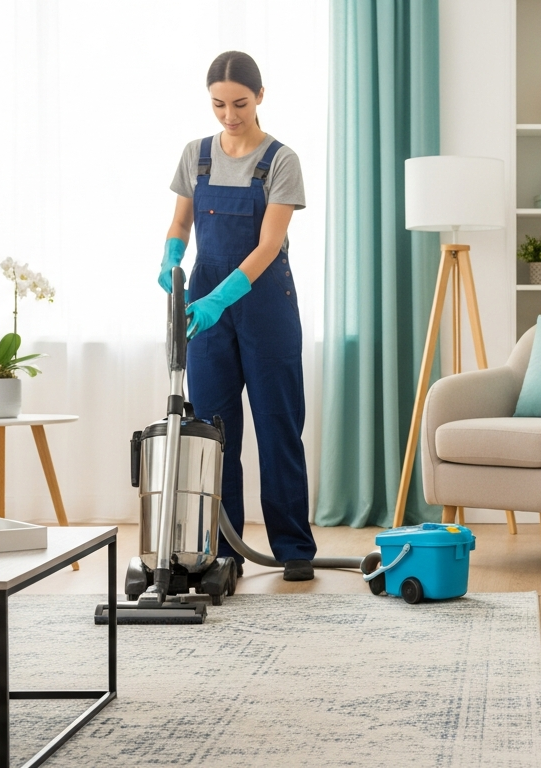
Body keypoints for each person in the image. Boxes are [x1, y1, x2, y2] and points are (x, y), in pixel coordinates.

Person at [160, 51, 316, 581]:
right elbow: (180, 222)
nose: (229, 115)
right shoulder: (195, 155)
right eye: (219, 104)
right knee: (214, 432)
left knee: (277, 427)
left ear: (260, 96)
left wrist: (221, 296)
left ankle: (293, 548)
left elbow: (271, 243)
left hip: (266, 306)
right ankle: (221, 551)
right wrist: (170, 259)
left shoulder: (281, 160)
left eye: (240, 104)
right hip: (205, 312)